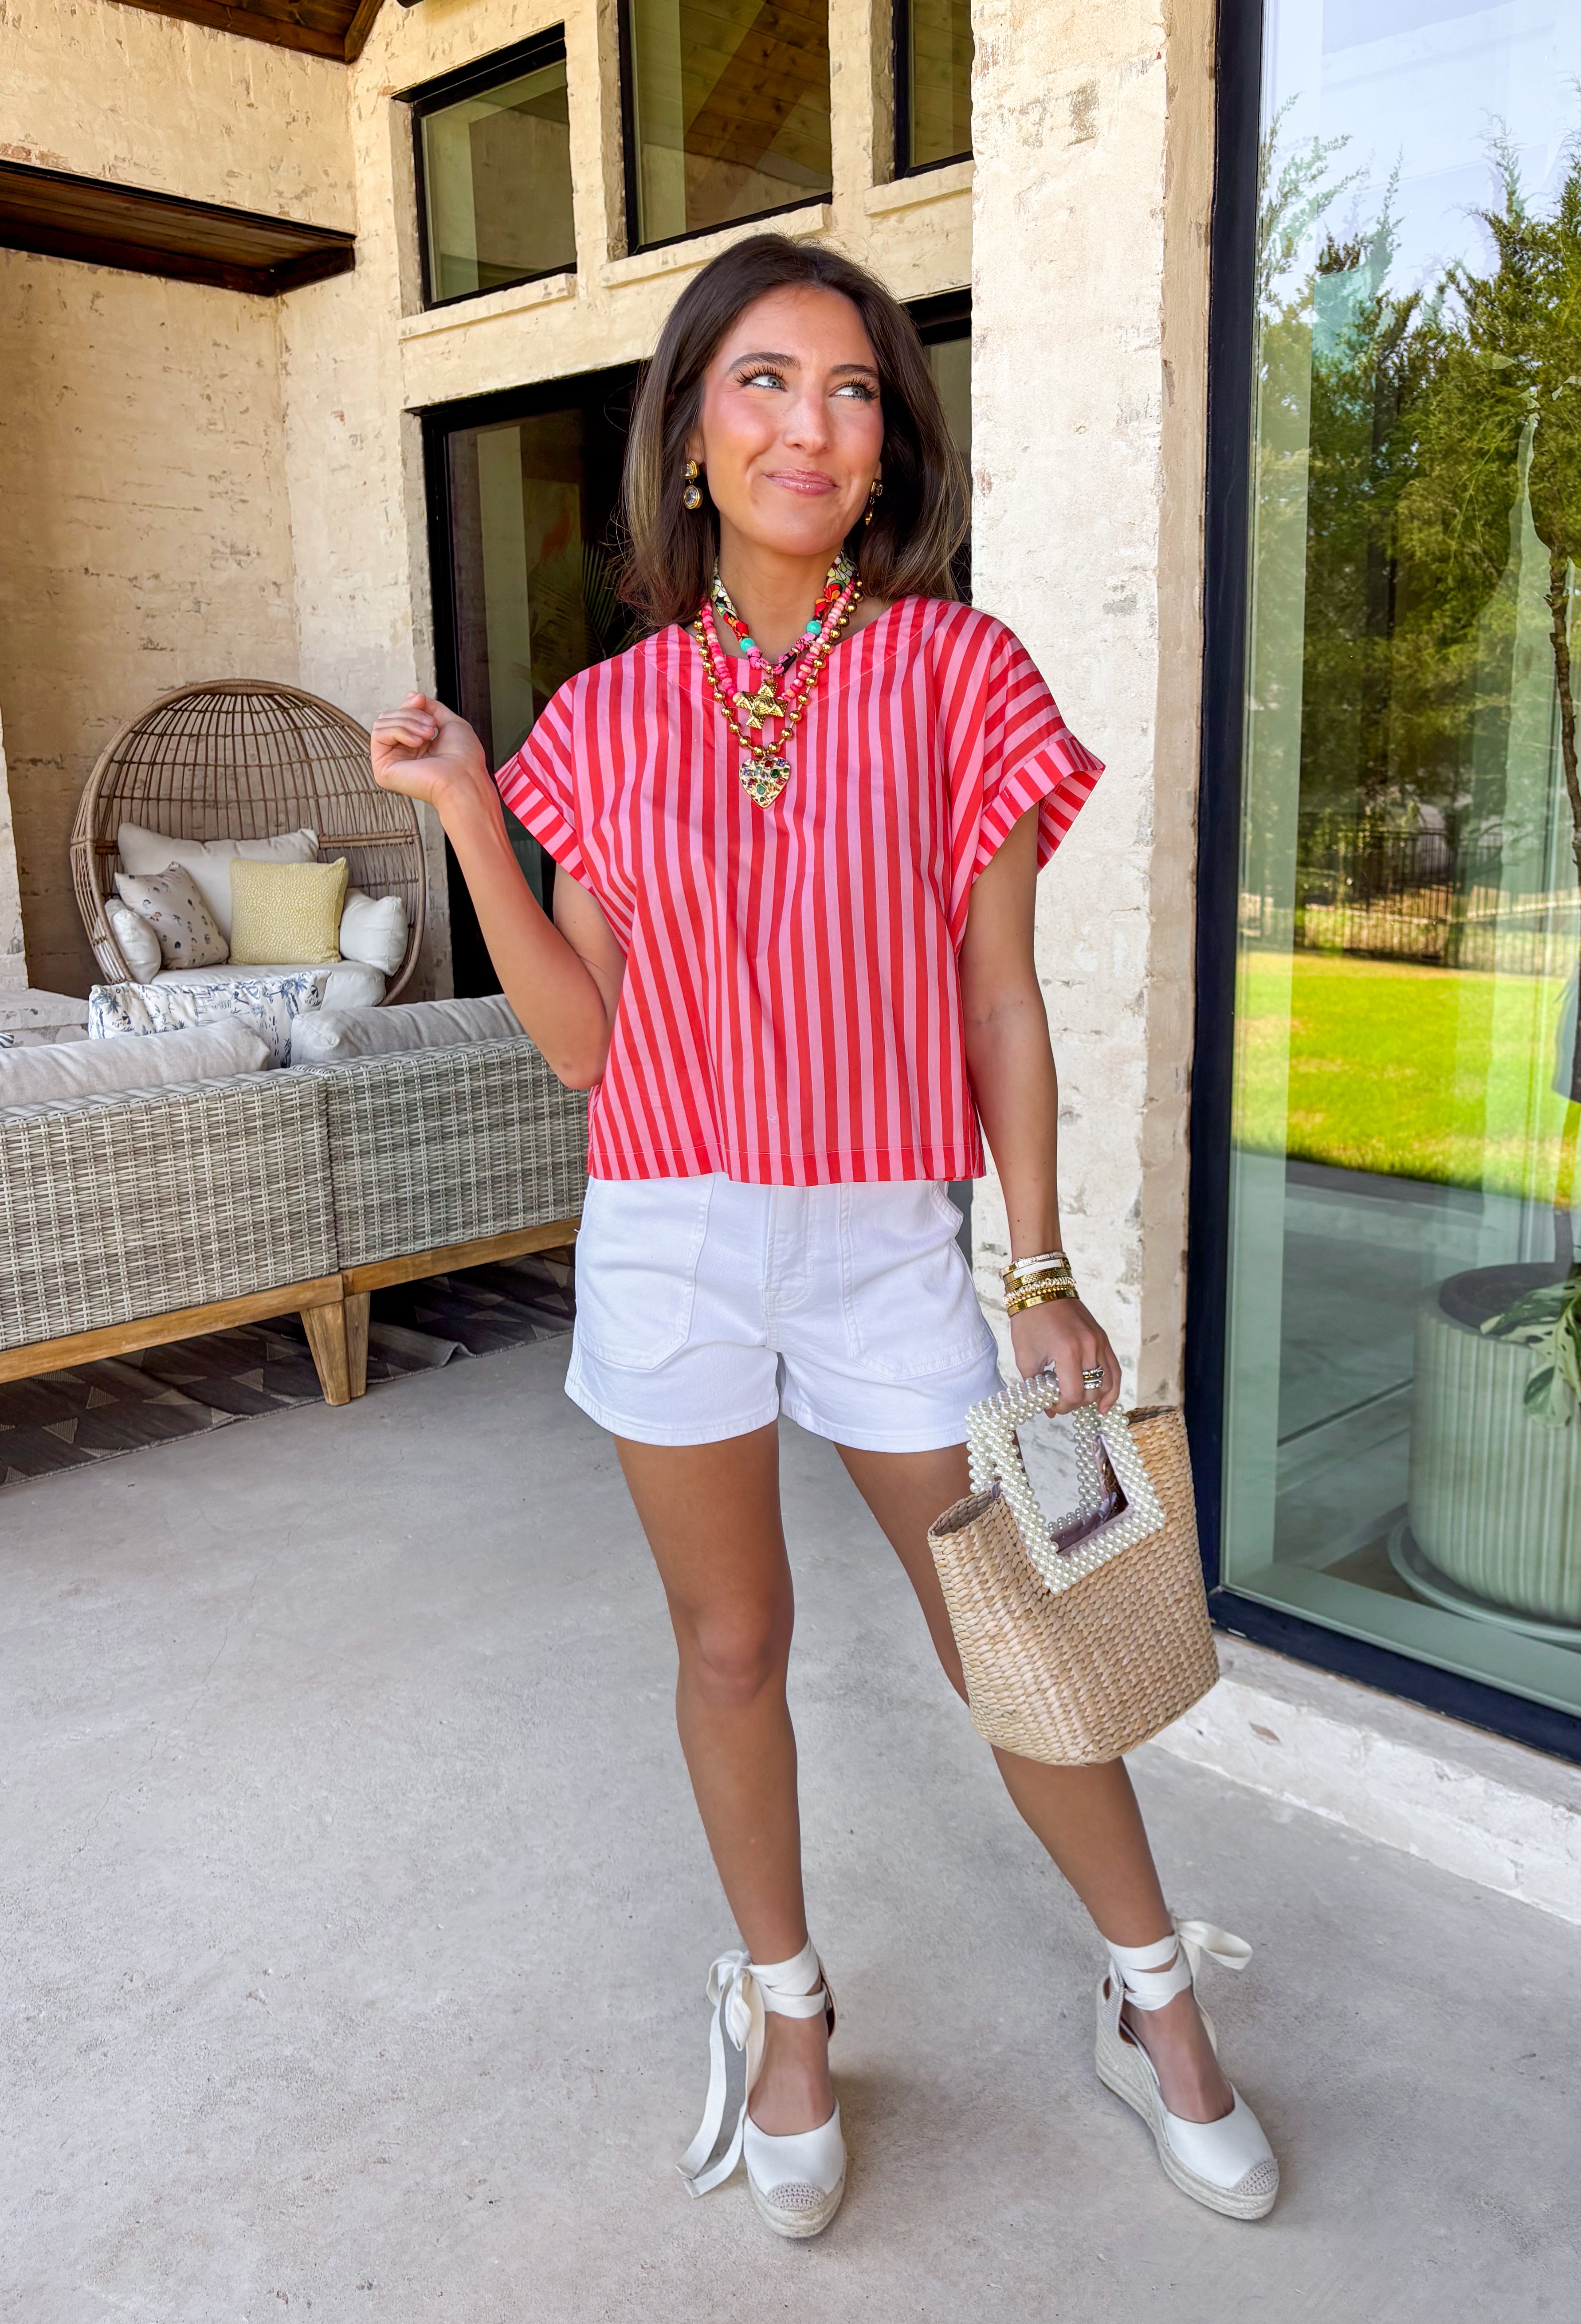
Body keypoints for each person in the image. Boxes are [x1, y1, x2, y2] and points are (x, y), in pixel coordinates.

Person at [370, 234, 1278, 2238]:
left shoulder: (964, 672)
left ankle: (1150, 2002)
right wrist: (460, 814)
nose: (813, 423)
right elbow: (591, 1050)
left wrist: (1034, 1272)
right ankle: (785, 2008)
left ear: (890, 445)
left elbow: (1002, 1004)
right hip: (673, 1235)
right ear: (689, 435)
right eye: (764, 383)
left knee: (1016, 1636)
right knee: (730, 1640)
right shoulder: (599, 721)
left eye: (855, 389)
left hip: (887, 1238)